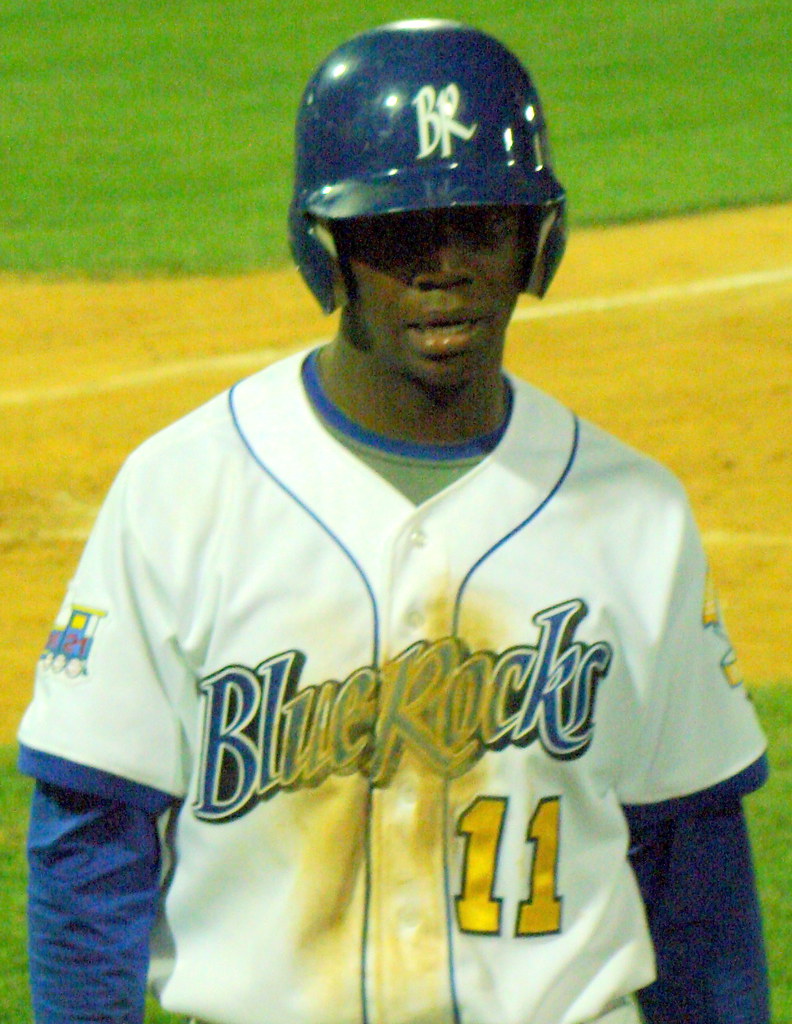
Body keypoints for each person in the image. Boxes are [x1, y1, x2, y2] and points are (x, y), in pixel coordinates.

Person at [18, 19, 770, 1024]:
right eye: (399, 231)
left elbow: (695, 878)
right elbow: (91, 848)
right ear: (326, 248)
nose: (443, 265)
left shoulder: (635, 514)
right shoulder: (181, 491)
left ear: (536, 239)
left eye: (481, 222)